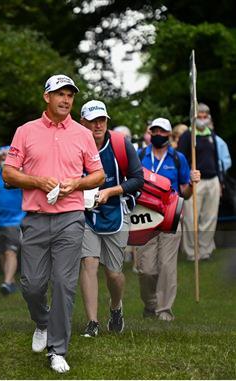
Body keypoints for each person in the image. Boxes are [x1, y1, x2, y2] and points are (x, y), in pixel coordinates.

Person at [2, 74, 105, 373]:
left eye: (70, 95)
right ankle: (43, 321)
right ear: (46, 97)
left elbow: (98, 176)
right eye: (60, 94)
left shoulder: (83, 134)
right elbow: (9, 174)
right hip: (35, 218)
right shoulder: (25, 131)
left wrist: (77, 183)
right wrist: (37, 181)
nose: (66, 99)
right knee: (32, 285)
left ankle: (57, 349)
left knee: (63, 283)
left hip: (71, 218)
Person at [78, 100, 144, 338]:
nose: (98, 125)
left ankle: (116, 307)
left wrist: (109, 191)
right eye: (92, 120)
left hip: (117, 211)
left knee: (114, 273)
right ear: (82, 122)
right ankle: (92, 322)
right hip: (86, 215)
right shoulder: (74, 144)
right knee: (89, 263)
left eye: (102, 120)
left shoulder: (119, 144)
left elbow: (138, 179)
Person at [136, 118, 200, 321]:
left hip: (171, 217)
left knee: (167, 265)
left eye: (162, 132)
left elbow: (186, 194)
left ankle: (164, 310)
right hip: (145, 217)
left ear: (169, 135)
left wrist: (191, 183)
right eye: (154, 131)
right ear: (150, 132)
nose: (158, 135)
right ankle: (150, 304)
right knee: (146, 269)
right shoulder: (140, 156)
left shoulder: (178, 158)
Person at [177, 103, 221, 260]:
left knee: (209, 218)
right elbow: (180, 159)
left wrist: (220, 180)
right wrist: (186, 178)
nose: (202, 119)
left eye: (205, 116)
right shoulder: (187, 136)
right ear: (194, 118)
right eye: (199, 116)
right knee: (191, 219)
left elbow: (216, 159)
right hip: (195, 182)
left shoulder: (211, 134)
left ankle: (205, 250)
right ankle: (191, 252)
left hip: (213, 179)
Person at [0, 145, 25, 295]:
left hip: (16, 220)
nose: (4, 158)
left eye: (7, 155)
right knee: (1, 253)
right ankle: (11, 282)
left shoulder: (21, 175)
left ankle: (7, 282)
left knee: (11, 252)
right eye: (1, 156)